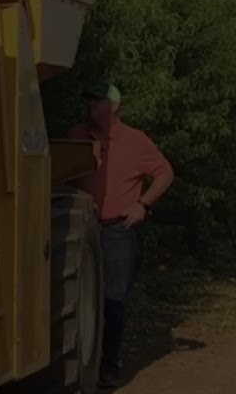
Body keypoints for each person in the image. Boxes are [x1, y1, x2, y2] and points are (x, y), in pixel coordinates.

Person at [66, 82, 174, 389]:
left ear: (113, 106)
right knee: (76, 300)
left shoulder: (135, 140)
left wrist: (142, 205)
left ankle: (109, 366)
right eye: (89, 101)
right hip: (77, 229)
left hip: (117, 231)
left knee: (114, 300)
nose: (91, 107)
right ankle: (75, 367)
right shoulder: (75, 136)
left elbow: (165, 171)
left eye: (97, 101)